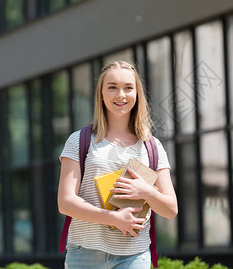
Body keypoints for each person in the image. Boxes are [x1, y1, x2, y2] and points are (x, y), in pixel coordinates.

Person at [57, 61, 178, 269]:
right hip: (85, 254)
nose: (120, 95)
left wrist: (146, 191)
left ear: (137, 94)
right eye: (112, 87)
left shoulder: (152, 146)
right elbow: (65, 202)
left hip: (133, 256)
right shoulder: (79, 141)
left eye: (128, 88)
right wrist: (113, 218)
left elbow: (170, 209)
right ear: (101, 94)